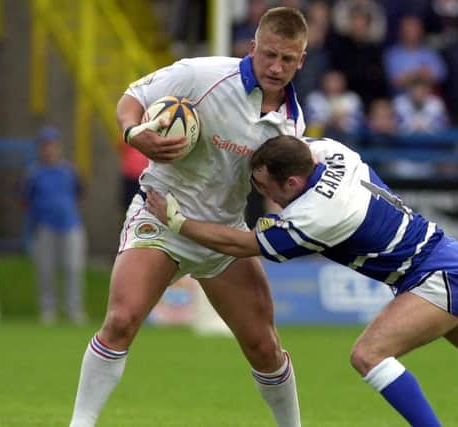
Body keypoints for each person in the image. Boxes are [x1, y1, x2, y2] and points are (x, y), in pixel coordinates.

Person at [145, 135, 458, 427]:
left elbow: (241, 245)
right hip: (452, 261)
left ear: (291, 183)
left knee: (368, 354)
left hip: (436, 277)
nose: (264, 196)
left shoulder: (318, 215)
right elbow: (289, 141)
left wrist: (178, 221)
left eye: (266, 189)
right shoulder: (330, 150)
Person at [68, 7, 308, 427]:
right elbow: (132, 99)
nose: (276, 66)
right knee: (121, 321)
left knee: (264, 347)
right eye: (269, 54)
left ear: (301, 60)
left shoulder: (291, 124)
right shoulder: (201, 74)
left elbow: (279, 187)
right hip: (160, 216)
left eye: (288, 59)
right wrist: (134, 133)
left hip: (222, 233)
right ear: (252, 47)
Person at [20, 125, 87, 325]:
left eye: (52, 145)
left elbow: (80, 192)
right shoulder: (33, 173)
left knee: (73, 269)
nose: (49, 149)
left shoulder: (69, 171)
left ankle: (74, 310)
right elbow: (24, 198)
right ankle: (48, 310)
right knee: (45, 270)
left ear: (59, 147)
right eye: (45, 145)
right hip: (45, 227)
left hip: (71, 226)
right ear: (40, 149)